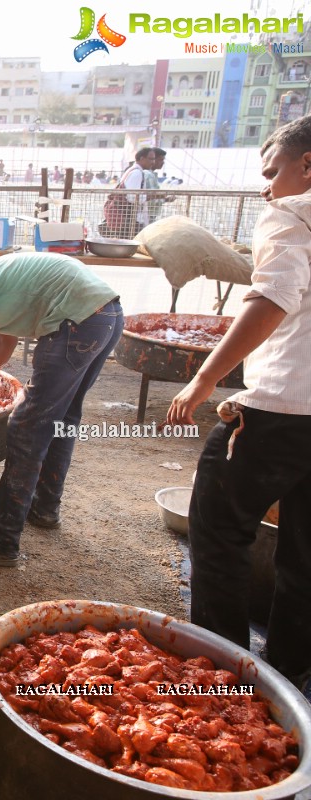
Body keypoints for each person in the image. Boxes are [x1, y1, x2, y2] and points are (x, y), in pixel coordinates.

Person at [167, 115, 311, 700]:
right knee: (305, 551)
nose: (265, 187)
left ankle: (221, 675)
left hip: (280, 409)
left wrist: (202, 382)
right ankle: (292, 671)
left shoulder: (293, 214)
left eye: (273, 172)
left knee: (220, 532)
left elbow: (272, 299)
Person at [0, 253, 123, 566]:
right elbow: (6, 341)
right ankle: (44, 508)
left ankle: (0, 541)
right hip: (106, 314)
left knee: (27, 427)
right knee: (63, 418)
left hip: (77, 321)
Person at [102, 148, 154, 238]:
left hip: (126, 217)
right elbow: (132, 197)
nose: (152, 162)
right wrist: (151, 197)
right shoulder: (136, 173)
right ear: (142, 158)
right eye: (150, 159)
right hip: (128, 218)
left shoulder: (133, 171)